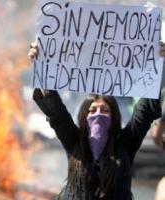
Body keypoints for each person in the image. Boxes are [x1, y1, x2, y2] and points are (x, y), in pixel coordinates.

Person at [29, 42, 165, 200]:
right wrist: (41, 64)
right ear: (84, 117)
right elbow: (57, 114)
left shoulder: (125, 143)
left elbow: (145, 110)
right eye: (92, 111)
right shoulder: (74, 141)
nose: (98, 116)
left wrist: (159, 65)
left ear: (114, 118)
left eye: (105, 111)